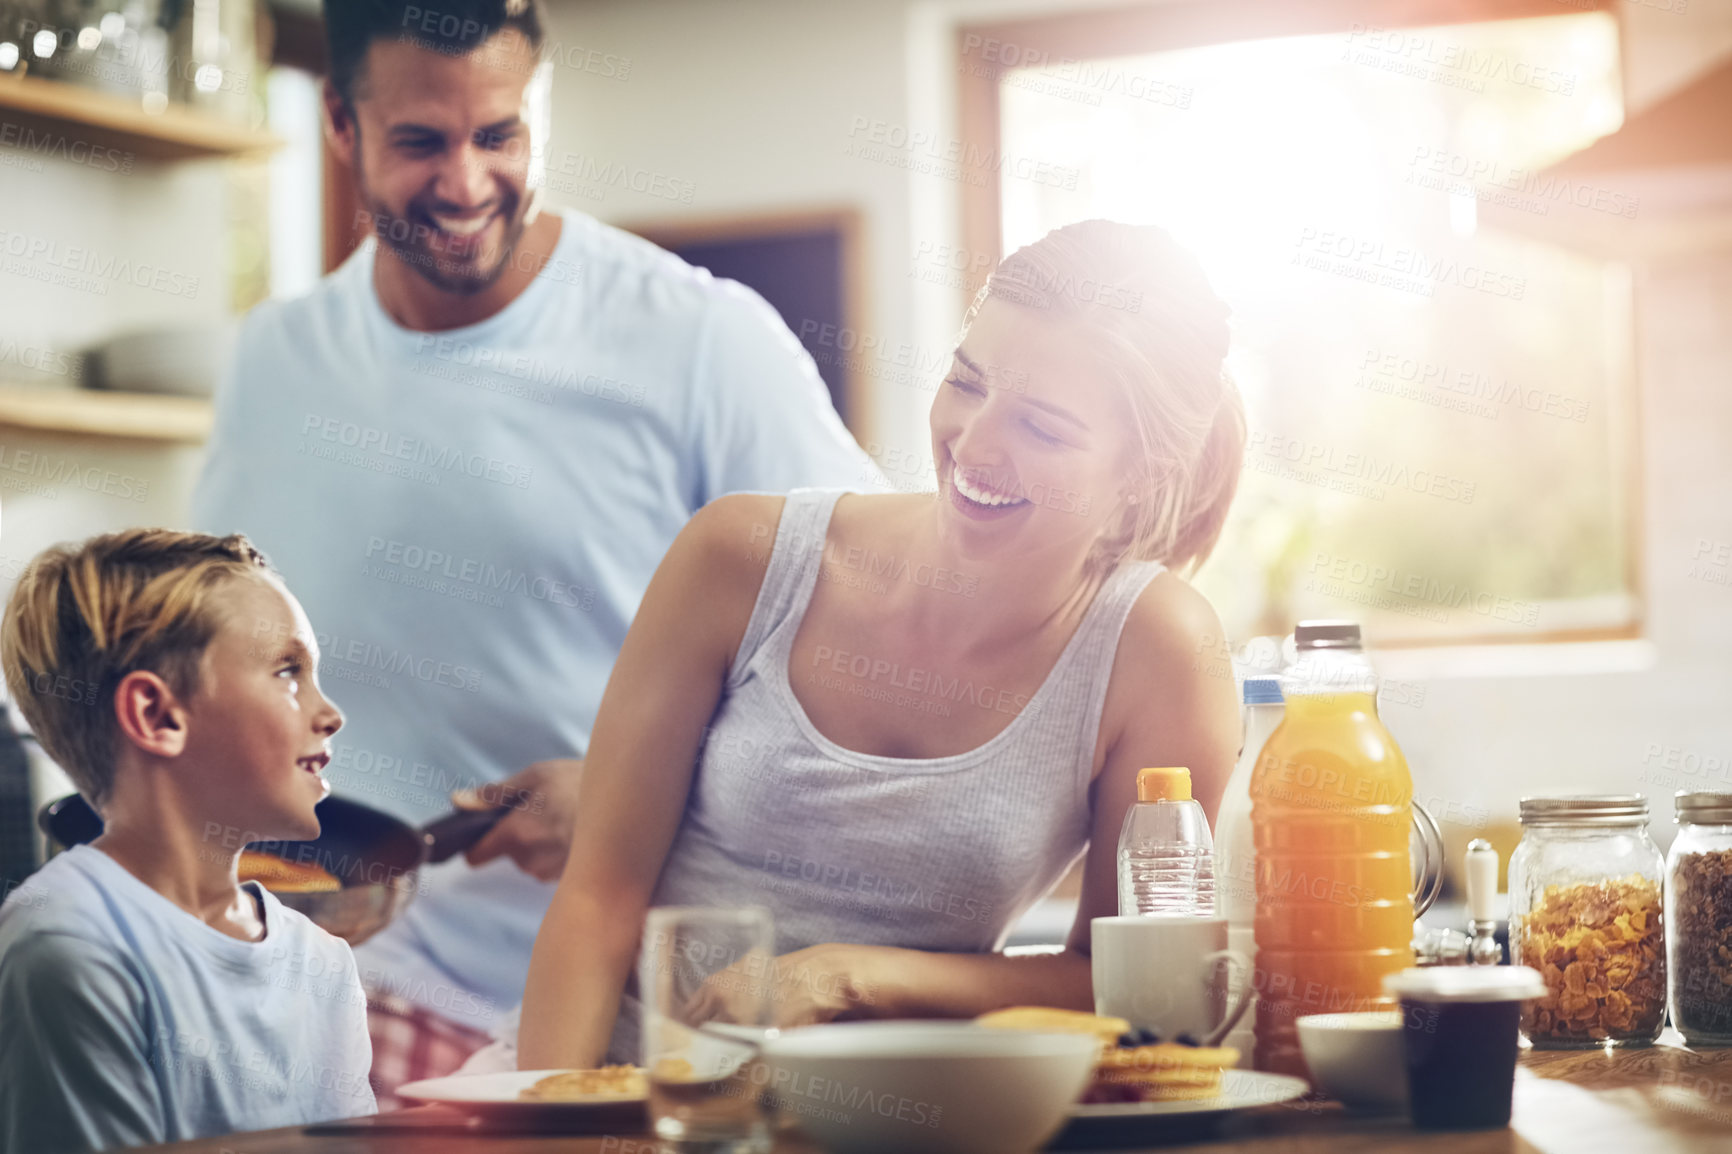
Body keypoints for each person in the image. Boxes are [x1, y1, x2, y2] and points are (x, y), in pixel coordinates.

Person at [192, 0, 879, 1095]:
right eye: (420, 141)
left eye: (499, 136)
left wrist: (628, 792)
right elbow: (215, 643)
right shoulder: (278, 357)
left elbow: (874, 655)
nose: (465, 184)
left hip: (638, 1013)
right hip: (352, 983)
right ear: (339, 123)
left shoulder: (702, 340)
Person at [516, 220, 1246, 1068]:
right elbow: (597, 902)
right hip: (636, 1107)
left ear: (1144, 473)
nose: (974, 445)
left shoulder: (1160, 655)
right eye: (967, 384)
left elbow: (1142, 989)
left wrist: (856, 975)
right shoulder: (740, 559)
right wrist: (555, 1124)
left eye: (1042, 429)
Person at [0, 530, 374, 1152]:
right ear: (157, 716)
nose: (330, 712)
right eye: (288, 671)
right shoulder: (67, 947)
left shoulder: (323, 964)